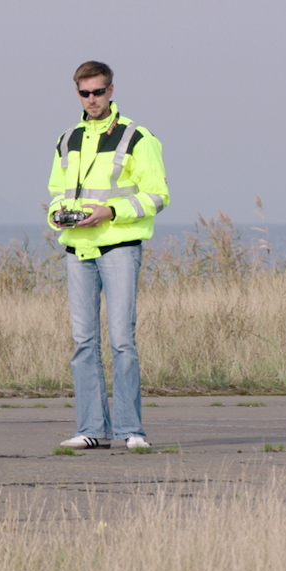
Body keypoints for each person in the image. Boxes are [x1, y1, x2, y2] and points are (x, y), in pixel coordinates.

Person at [46, 61, 168, 451]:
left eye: (99, 92)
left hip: (119, 246)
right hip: (77, 248)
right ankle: (91, 429)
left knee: (121, 342)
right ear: (77, 93)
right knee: (83, 342)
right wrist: (57, 215)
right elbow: (56, 191)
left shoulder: (138, 137)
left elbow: (157, 196)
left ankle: (133, 431)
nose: (92, 99)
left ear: (111, 90)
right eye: (85, 93)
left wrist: (111, 212)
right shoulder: (67, 139)